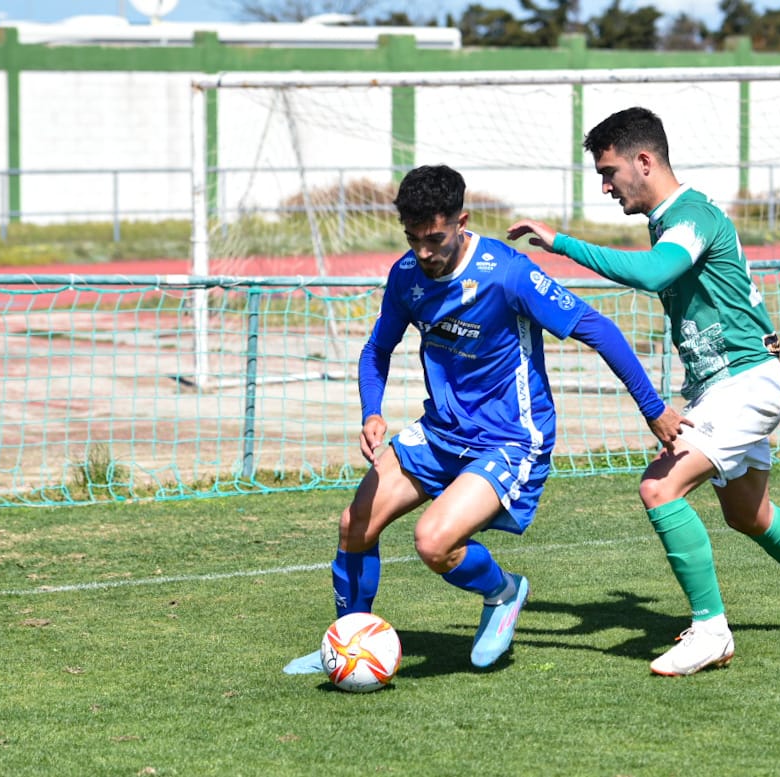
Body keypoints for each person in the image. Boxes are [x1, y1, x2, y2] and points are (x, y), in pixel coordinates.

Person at [284, 164, 689, 674]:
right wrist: (372, 412)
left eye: (434, 238)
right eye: (413, 239)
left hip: (508, 440)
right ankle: (346, 642)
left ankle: (503, 593)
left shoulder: (508, 273)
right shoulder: (407, 275)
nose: (424, 252)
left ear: (461, 220)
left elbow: (597, 328)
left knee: (434, 542)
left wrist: (652, 407)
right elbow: (376, 349)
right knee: (354, 525)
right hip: (439, 432)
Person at [507, 107, 780, 677]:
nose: (604, 186)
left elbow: (653, 274)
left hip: (743, 382)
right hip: (727, 385)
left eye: (609, 171)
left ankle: (710, 631)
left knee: (658, 486)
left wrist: (562, 243)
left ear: (643, 161)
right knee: (749, 514)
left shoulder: (691, 216)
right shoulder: (672, 218)